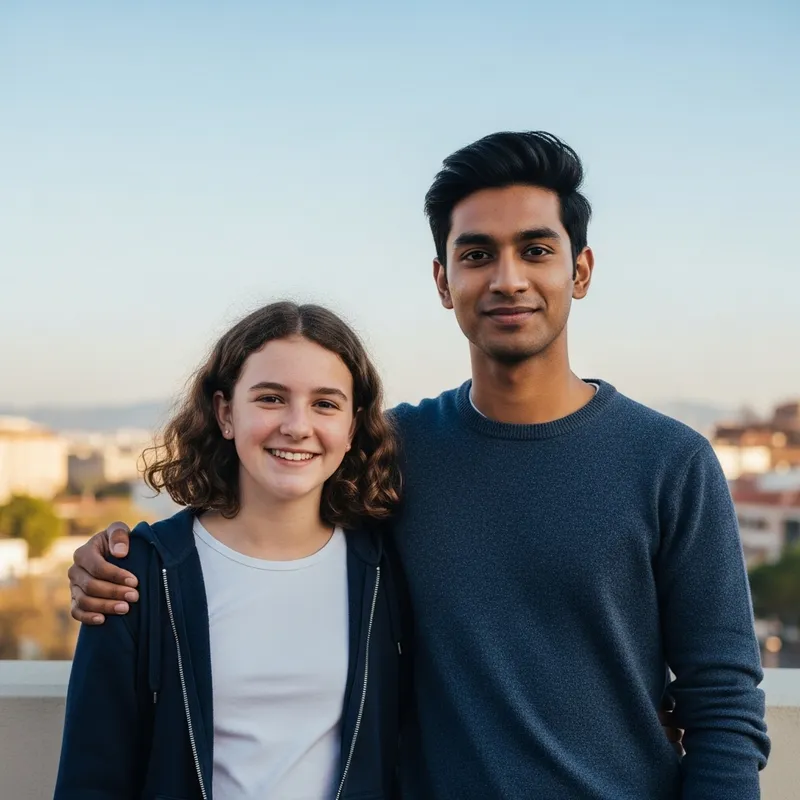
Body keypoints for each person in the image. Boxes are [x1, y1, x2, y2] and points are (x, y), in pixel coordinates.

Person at [69, 131, 769, 798]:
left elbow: (725, 707)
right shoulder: (394, 453)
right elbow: (262, 523)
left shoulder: (672, 463)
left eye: (535, 249)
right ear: (443, 281)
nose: (507, 278)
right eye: (476, 254)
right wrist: (119, 559)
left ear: (579, 270)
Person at [56, 302, 409, 799]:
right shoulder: (138, 576)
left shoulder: (386, 572)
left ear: (352, 427)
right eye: (270, 398)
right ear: (225, 413)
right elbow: (90, 779)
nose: (297, 425)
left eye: (325, 404)